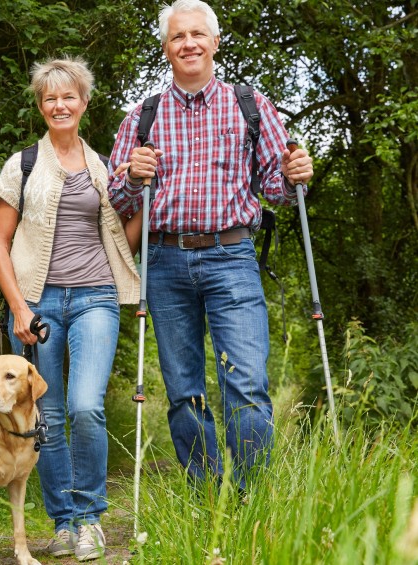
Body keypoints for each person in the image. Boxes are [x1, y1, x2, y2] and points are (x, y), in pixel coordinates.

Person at [107, 0, 315, 493]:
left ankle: (249, 501)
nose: (189, 44)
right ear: (166, 49)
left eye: (198, 34)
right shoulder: (142, 116)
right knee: (183, 392)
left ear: (215, 42)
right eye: (178, 37)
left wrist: (295, 176)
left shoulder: (250, 105)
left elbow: (279, 190)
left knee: (245, 386)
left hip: (232, 257)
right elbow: (114, 199)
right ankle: (204, 495)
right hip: (164, 260)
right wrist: (134, 178)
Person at [0, 56, 140, 561]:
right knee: (45, 414)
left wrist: (147, 200)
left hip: (96, 295)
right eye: (50, 97)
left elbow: (123, 240)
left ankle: (92, 518)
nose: (59, 105)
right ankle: (63, 523)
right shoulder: (23, 164)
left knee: (85, 405)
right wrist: (18, 308)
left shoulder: (105, 167)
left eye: (68, 96)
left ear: (84, 102)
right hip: (37, 301)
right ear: (40, 105)